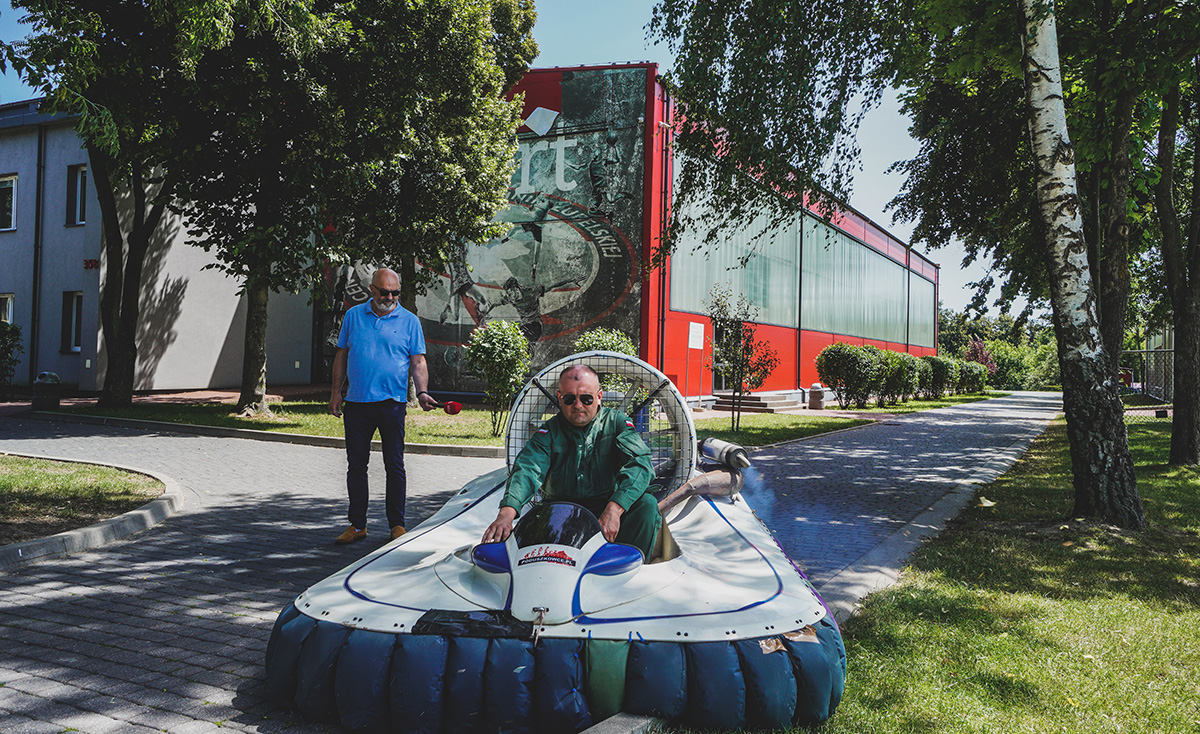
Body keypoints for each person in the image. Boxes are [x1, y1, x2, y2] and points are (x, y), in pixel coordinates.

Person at [481, 364, 660, 559]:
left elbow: (640, 463)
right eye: (569, 399)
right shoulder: (548, 433)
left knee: (647, 505)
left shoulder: (617, 424)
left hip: (606, 506)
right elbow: (527, 470)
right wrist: (505, 516)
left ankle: (628, 567)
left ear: (599, 397)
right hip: (559, 511)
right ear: (559, 397)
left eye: (586, 398)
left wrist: (615, 508)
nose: (578, 405)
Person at [329, 267, 437, 544]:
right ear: (372, 290)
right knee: (356, 466)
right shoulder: (353, 316)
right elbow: (341, 355)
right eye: (385, 292)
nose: (390, 297)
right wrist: (335, 392)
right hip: (357, 404)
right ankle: (357, 525)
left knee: (395, 465)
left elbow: (418, 361)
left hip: (392, 404)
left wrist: (422, 392)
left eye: (395, 293)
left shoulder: (410, 321)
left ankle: (397, 525)